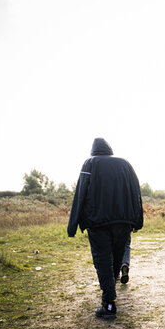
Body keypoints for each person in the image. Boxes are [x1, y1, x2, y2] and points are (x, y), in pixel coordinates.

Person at [68, 137, 143, 319]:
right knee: (116, 260)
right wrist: (137, 221)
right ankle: (109, 296)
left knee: (103, 262)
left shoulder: (90, 163)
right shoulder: (125, 164)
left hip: (97, 223)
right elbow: (136, 192)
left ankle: (109, 305)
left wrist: (73, 225)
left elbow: (80, 194)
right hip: (123, 222)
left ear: (94, 150)